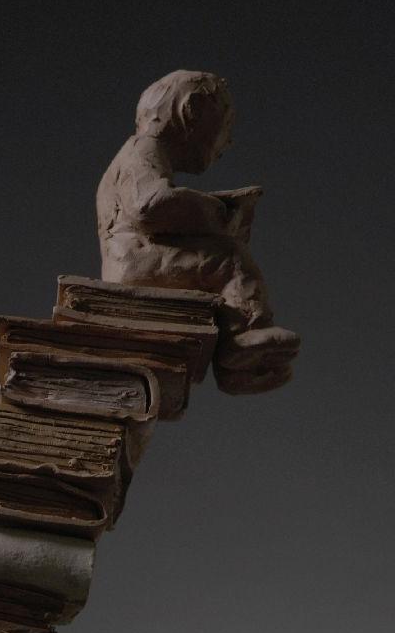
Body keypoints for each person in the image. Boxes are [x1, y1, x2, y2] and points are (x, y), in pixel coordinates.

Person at [94, 68, 299, 395]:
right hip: (132, 262)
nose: (228, 141)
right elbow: (149, 207)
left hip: (136, 256)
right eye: (226, 125)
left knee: (224, 255)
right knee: (230, 259)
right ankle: (244, 338)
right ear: (191, 110)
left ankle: (239, 362)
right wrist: (218, 212)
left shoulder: (144, 152)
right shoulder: (142, 150)